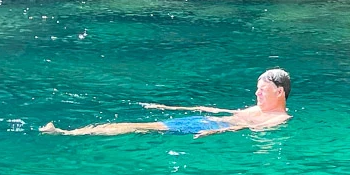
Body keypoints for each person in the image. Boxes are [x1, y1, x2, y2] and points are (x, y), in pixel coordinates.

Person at [42, 68, 292, 137]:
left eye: (263, 90)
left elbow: (248, 128)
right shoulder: (257, 109)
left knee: (139, 127)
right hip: (202, 121)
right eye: (257, 89)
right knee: (143, 125)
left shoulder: (279, 118)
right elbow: (222, 112)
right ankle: (71, 133)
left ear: (280, 92)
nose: (257, 94)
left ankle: (68, 133)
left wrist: (214, 131)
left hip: (203, 127)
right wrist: (173, 108)